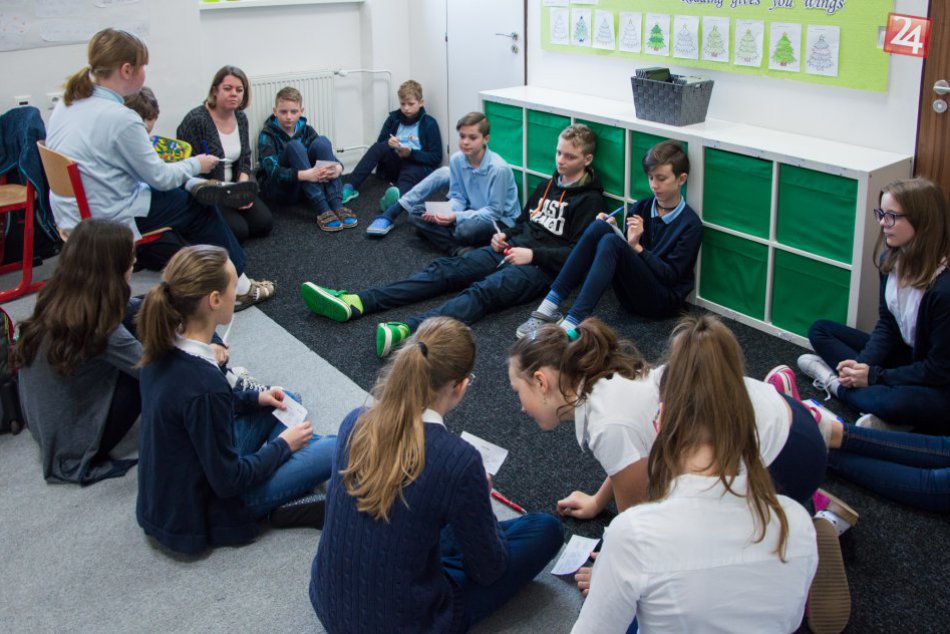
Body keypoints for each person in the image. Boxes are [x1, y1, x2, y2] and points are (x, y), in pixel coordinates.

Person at [310, 317, 563, 633]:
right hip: (406, 624)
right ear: (461, 385)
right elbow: (489, 570)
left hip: (328, 601)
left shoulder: (355, 420)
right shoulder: (458, 460)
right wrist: (479, 501)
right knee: (545, 529)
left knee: (427, 523)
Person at [570, 314, 818, 633]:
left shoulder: (633, 535)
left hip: (795, 449)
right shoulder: (798, 523)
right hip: (802, 445)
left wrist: (610, 575)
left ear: (660, 421)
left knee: (629, 601)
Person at [300, 124, 605, 357]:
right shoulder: (547, 185)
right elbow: (525, 221)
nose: (561, 160)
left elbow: (576, 255)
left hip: (540, 269)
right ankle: (357, 302)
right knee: (444, 271)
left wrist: (533, 255)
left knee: (482, 293)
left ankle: (409, 330)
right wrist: (505, 236)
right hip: (510, 249)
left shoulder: (591, 201)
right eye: (559, 153)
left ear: (587, 159)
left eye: (570, 156)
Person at [47, 28, 274, 309]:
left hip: (72, 211)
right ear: (127, 70)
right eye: (143, 66)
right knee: (199, 206)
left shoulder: (68, 103)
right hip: (106, 216)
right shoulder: (122, 118)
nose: (145, 73)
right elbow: (160, 178)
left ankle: (198, 190)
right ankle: (239, 286)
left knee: (180, 188)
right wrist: (197, 163)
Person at [507, 318, 826, 517]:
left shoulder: (606, 423)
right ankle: (804, 502)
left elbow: (637, 526)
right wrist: (597, 501)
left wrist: (609, 565)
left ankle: (804, 514)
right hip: (788, 420)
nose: (520, 407)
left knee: (697, 540)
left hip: (788, 457)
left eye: (518, 392)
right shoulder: (601, 386)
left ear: (541, 382)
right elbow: (629, 457)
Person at [135, 245, 336, 554]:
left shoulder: (162, 346)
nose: (238, 291)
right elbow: (229, 481)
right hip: (207, 511)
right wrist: (283, 446)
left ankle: (294, 485)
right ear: (214, 300)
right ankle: (288, 496)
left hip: (175, 491)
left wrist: (255, 399)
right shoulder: (204, 384)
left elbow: (201, 415)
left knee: (284, 400)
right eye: (234, 285)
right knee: (335, 446)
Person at [798, 177, 950, 434]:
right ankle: (869, 399)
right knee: (820, 330)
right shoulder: (890, 260)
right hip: (905, 359)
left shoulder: (943, 289)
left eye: (892, 217)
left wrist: (873, 376)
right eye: (881, 214)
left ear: (922, 220)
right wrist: (861, 367)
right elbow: (888, 325)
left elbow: (938, 370)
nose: (882, 223)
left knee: (898, 402)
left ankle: (834, 384)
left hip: (937, 381)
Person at [515, 140, 702, 338]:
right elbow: (628, 260)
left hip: (661, 302)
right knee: (601, 227)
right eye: (650, 178)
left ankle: (572, 322)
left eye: (662, 178)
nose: (654, 185)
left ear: (681, 179)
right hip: (629, 295)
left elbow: (670, 276)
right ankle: (548, 307)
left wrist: (637, 247)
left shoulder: (690, 225)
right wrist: (615, 229)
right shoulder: (641, 207)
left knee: (612, 242)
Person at [13, 219, 141, 484]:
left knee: (145, 309)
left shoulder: (61, 295)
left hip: (47, 427)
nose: (134, 262)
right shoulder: (101, 323)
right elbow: (153, 366)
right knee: (153, 374)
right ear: (114, 267)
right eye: (130, 257)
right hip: (74, 445)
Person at [365, 111, 519, 253]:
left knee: (464, 230)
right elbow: (459, 198)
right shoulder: (457, 160)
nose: (465, 142)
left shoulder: (499, 169)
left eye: (472, 138)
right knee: (416, 214)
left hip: (498, 220)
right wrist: (445, 213)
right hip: (468, 210)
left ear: (486, 139)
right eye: (462, 136)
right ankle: (457, 247)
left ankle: (445, 239)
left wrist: (456, 217)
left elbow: (494, 212)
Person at [177, 66, 274, 243]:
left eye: (239, 90)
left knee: (264, 224)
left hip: (234, 186)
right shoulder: (196, 121)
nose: (234, 94)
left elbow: (245, 158)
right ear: (215, 91)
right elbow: (188, 170)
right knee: (239, 231)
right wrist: (226, 195)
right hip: (210, 192)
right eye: (227, 88)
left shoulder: (241, 118)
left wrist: (242, 189)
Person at [257, 86, 355, 233]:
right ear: (275, 111)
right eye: (283, 112)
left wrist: (338, 168)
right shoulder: (267, 135)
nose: (289, 116)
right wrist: (305, 175)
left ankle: (336, 203)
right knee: (294, 146)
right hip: (282, 191)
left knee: (322, 142)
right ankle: (322, 208)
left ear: (301, 111)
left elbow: (328, 155)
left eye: (294, 112)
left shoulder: (307, 130)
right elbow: (272, 171)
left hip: (305, 190)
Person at [341, 79, 442, 212]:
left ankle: (395, 198)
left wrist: (411, 153)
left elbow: (436, 157)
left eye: (411, 104)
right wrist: (389, 144)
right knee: (378, 147)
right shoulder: (394, 119)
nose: (406, 108)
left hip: (415, 165)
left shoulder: (429, 123)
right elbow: (380, 143)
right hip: (395, 162)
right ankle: (350, 187)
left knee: (410, 173)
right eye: (403, 104)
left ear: (421, 102)